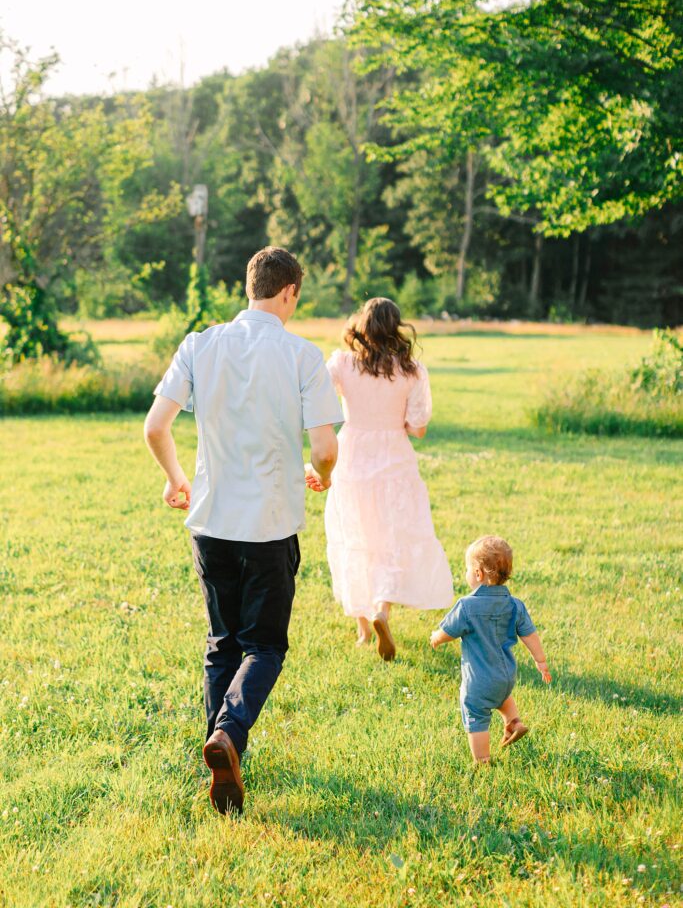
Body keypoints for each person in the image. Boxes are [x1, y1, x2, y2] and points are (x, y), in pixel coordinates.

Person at [144, 247, 344, 815]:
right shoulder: (302, 355)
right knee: (264, 645)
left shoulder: (199, 344)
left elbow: (155, 426)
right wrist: (319, 472)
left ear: (249, 287)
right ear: (290, 293)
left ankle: (224, 758)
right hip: (270, 523)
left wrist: (176, 478)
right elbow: (326, 447)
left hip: (210, 519)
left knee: (221, 643)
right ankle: (229, 735)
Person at [314, 297, 453, 661]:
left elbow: (320, 401)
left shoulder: (343, 362)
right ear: (396, 327)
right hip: (395, 457)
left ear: (362, 324)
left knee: (355, 535)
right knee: (391, 537)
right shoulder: (412, 370)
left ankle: (363, 630)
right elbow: (418, 428)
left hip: (353, 455)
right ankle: (382, 610)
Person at [430, 535, 551, 764]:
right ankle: (513, 722)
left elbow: (448, 631)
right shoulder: (515, 604)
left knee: (475, 711)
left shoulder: (466, 606)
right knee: (500, 696)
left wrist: (436, 638)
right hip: (506, 676)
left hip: (479, 681)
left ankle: (483, 760)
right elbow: (529, 635)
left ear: (478, 574)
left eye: (467, 568)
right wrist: (540, 661)